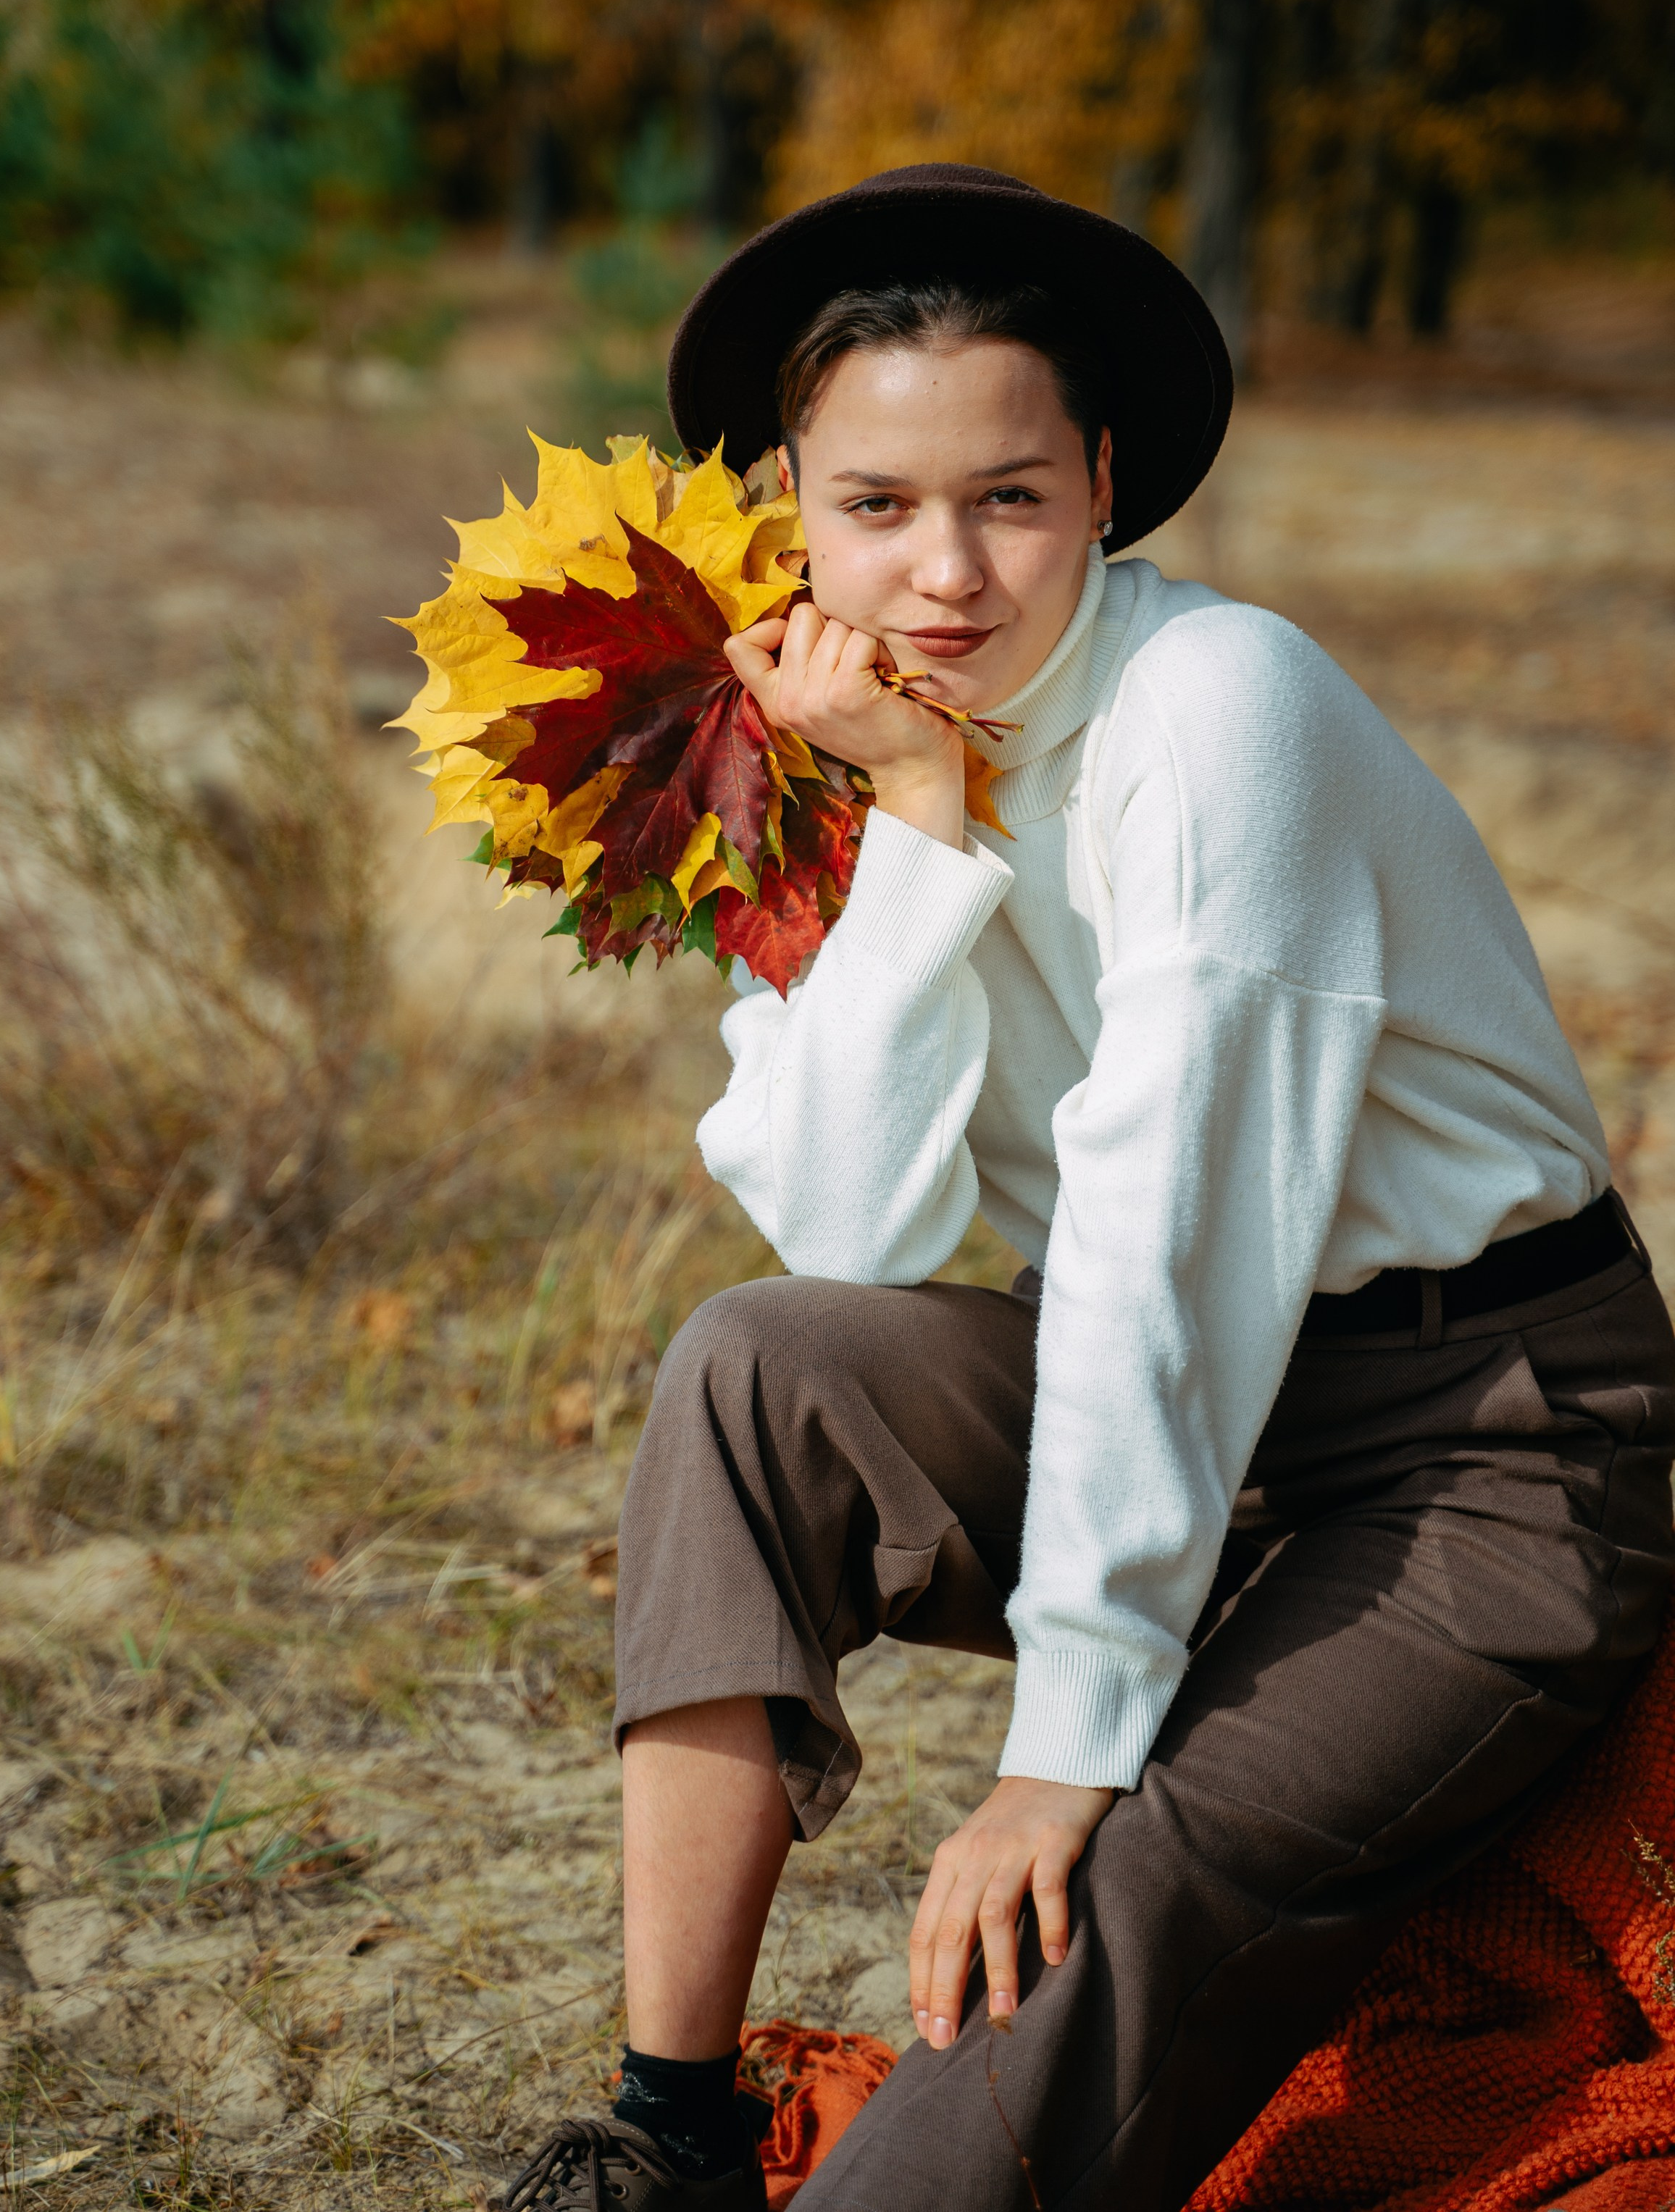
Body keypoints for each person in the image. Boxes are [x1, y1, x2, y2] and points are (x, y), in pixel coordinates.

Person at [501, 166, 1675, 2212]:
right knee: (753, 1369)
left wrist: (1075, 1738)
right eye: (876, 504)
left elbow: (1172, 1233)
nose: (945, 571)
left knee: (1089, 1902)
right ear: (794, 504)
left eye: (1012, 498)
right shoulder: (825, 746)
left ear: (1106, 481)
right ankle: (674, 2130)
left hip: (1490, 1449)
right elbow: (849, 1234)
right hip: (1207, 1427)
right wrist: (925, 832)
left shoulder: (1223, 713)